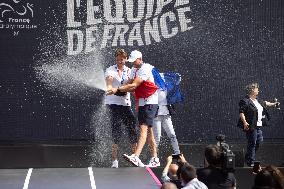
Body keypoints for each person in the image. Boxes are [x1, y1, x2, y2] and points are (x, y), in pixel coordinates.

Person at [106, 50, 160, 167]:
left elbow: (134, 85)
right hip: (141, 103)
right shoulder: (134, 69)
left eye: (133, 61)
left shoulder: (145, 68)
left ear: (140, 58)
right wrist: (116, 89)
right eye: (131, 61)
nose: (132, 63)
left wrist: (117, 90)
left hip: (149, 102)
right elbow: (129, 85)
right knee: (149, 132)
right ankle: (155, 158)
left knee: (143, 129)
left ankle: (136, 156)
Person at [104, 48, 137, 168]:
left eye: (122, 59)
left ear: (126, 59)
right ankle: (114, 161)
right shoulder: (110, 69)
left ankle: (135, 157)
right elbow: (109, 80)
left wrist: (122, 89)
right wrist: (108, 87)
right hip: (113, 103)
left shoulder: (130, 71)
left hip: (126, 104)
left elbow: (130, 86)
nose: (120, 61)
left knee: (132, 128)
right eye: (118, 59)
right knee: (116, 129)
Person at [237, 83, 280, 167]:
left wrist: (274, 104)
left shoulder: (257, 100)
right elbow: (241, 112)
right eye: (257, 89)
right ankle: (250, 161)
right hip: (251, 126)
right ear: (252, 90)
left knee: (259, 141)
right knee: (252, 142)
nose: (258, 90)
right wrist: (245, 122)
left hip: (258, 126)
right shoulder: (245, 101)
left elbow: (266, 103)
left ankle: (248, 157)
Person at [153, 73, 181, 155]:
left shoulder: (167, 88)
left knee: (172, 135)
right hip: (156, 115)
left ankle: (177, 153)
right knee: (157, 137)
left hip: (166, 115)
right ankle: (154, 157)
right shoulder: (153, 88)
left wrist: (177, 82)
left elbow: (174, 93)